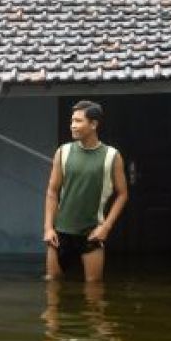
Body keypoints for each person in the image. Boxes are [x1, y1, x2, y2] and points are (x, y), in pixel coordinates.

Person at [42, 100, 129, 282]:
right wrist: (49, 228)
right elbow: (52, 191)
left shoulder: (112, 156)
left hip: (91, 234)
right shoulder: (63, 152)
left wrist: (106, 226)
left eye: (78, 121)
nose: (73, 125)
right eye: (72, 120)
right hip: (60, 233)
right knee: (52, 286)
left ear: (93, 124)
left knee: (94, 291)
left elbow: (122, 194)